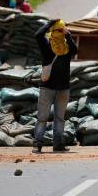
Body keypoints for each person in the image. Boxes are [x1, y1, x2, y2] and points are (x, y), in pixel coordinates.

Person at [33, 19, 77, 153]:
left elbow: (38, 34)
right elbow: (38, 35)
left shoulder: (63, 47)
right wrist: (68, 35)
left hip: (59, 89)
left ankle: (55, 144)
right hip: (53, 88)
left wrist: (50, 24)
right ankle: (39, 143)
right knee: (48, 118)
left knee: (51, 118)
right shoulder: (53, 46)